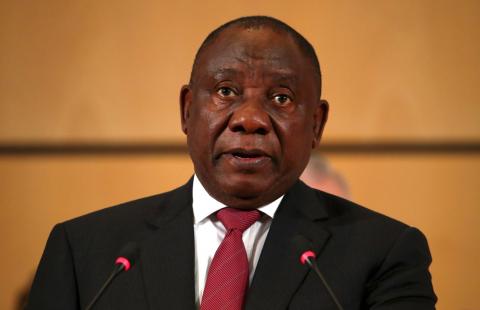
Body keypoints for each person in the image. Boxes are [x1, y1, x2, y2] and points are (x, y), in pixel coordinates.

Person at [27, 16, 436, 309]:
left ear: (316, 124)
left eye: (281, 98)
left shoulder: (384, 253)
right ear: (188, 110)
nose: (250, 119)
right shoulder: (86, 252)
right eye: (226, 91)